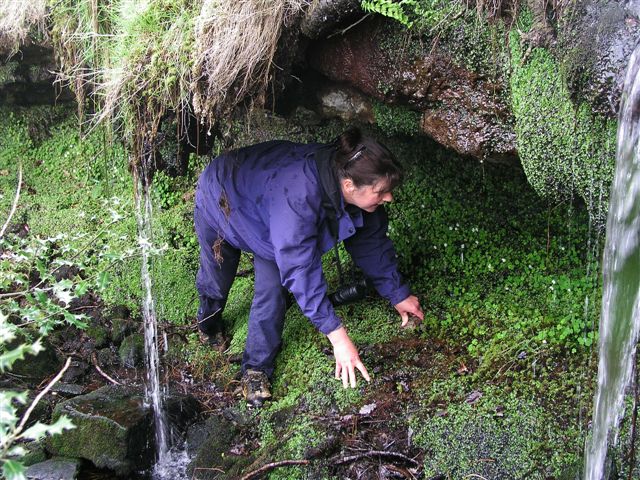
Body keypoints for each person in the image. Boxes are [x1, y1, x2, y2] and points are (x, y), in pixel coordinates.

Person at [194, 127, 424, 406]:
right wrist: (338, 339)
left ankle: (255, 368)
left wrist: (397, 293)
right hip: (223, 196)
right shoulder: (298, 196)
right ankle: (208, 324)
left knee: (272, 289)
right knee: (219, 278)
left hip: (268, 208)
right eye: (382, 192)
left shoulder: (349, 184)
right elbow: (299, 270)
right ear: (349, 185)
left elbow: (371, 244)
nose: (389, 198)